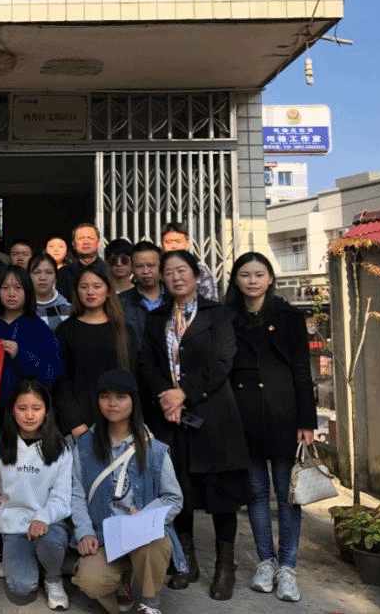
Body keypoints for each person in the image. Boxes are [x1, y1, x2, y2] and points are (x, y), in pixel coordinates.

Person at [137, 250, 249, 600]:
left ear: (196, 275)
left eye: (181, 270)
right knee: (179, 492)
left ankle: (225, 568)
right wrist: (166, 396)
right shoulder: (156, 318)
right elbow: (146, 361)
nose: (175, 277)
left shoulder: (218, 315)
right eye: (169, 272)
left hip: (213, 416)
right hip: (171, 419)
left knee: (221, 496)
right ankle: (186, 563)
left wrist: (183, 393)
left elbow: (223, 361)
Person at [224, 252, 317, 603]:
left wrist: (307, 420)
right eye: (245, 274)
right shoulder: (227, 317)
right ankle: (266, 561)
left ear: (270, 279)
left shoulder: (288, 316)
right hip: (243, 415)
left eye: (259, 274)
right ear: (235, 280)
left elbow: (301, 369)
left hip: (283, 414)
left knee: (287, 493)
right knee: (256, 493)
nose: (252, 281)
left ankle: (288, 567)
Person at [69, 369, 184, 614]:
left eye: (121, 397)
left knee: (156, 543)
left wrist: (146, 516)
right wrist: (84, 533)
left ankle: (150, 603)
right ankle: (122, 581)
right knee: (90, 580)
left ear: (133, 400)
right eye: (105, 396)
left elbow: (173, 497)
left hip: (141, 534)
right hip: (103, 535)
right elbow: (76, 494)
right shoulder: (85, 445)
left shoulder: (154, 448)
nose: (112, 403)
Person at [0, 380, 72, 610]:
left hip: (50, 525)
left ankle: (53, 578)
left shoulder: (61, 449)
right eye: (22, 408)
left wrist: (42, 517)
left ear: (46, 411)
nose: (29, 415)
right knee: (21, 588)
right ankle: (39, 564)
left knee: (50, 542)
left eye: (36, 408)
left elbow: (62, 497)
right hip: (15, 528)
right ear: (12, 411)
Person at [54, 264, 135, 439]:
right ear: (77, 292)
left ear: (108, 291)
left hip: (119, 422)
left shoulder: (123, 330)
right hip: (79, 425)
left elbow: (133, 377)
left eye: (97, 286)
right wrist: (74, 423)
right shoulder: (66, 330)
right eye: (84, 287)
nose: (90, 292)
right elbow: (61, 381)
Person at [0, 265, 62, 416]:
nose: (11, 294)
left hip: (27, 412)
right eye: (5, 288)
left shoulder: (39, 328)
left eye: (18, 288)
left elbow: (51, 371)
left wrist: (20, 355)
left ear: (28, 291)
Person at [119, 240, 166, 345]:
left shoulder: (175, 299)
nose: (145, 271)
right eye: (139, 266)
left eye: (151, 265)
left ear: (161, 266)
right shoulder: (120, 303)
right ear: (132, 268)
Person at [160, 222, 218, 302]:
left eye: (178, 241)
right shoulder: (157, 272)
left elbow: (211, 303)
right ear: (162, 245)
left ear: (187, 244)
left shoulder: (201, 272)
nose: (173, 246)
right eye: (168, 242)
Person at [56, 223, 104, 299]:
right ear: (73, 244)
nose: (86, 242)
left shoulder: (108, 271)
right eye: (81, 239)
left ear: (98, 243)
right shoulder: (63, 274)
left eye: (90, 238)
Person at [30, 253, 71, 332]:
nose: (42, 278)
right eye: (37, 272)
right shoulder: (20, 309)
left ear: (56, 277)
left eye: (49, 272)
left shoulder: (69, 310)